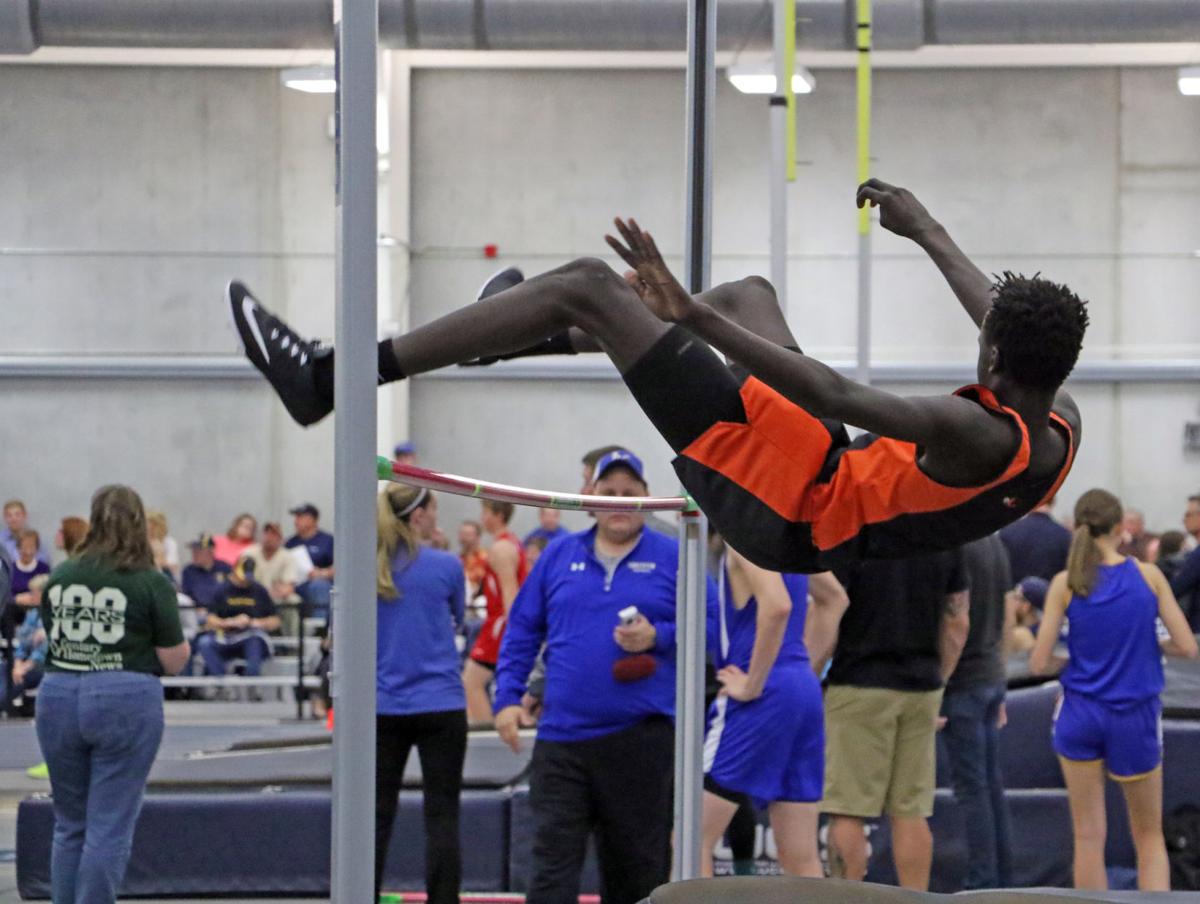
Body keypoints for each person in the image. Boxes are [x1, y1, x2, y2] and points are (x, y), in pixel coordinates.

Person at [231, 180, 1085, 574]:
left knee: (584, 285)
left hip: (789, 509)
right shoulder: (1056, 416)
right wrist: (924, 226)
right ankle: (505, 338)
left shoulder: (973, 432)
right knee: (754, 293)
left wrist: (687, 316)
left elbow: (836, 395)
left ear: (994, 360)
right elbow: (998, 312)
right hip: (827, 474)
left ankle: (330, 379)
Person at [493, 448, 718, 904]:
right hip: (562, 744)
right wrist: (507, 699)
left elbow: (712, 631)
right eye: (609, 492)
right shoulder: (558, 556)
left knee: (636, 875)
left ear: (647, 498)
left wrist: (660, 635)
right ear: (590, 499)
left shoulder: (676, 555)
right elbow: (521, 630)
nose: (619, 502)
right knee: (550, 875)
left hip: (640, 743)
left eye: (629, 493)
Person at [1031, 488, 1198, 892]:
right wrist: (1149, 643)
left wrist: (1076, 661)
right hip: (1133, 715)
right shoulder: (1149, 576)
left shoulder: (1064, 583)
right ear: (1121, 527)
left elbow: (1038, 663)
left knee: (1088, 836)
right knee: (1148, 838)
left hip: (1079, 714)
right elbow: (1188, 647)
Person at [35, 484, 190, 903]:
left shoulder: (62, 575)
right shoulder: (148, 581)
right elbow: (174, 660)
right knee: (109, 826)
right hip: (124, 693)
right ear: (140, 524)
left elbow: (53, 639)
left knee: (69, 824)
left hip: (59, 692)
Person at [822, 548, 970, 891]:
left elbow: (829, 607)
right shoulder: (943, 533)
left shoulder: (856, 530)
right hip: (922, 687)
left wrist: (811, 671)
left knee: (847, 809)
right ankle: (916, 899)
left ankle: (846, 899)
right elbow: (958, 622)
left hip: (858, 683)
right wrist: (940, 680)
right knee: (911, 810)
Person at [700, 543, 847, 879]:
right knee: (800, 855)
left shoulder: (743, 540)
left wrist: (754, 682)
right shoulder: (785, 544)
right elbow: (836, 599)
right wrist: (799, 671)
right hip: (800, 688)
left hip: (762, 693)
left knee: (692, 838)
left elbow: (777, 605)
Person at [374, 483, 467, 904]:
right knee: (443, 814)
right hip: (440, 704)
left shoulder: (367, 566)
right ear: (418, 517)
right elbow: (459, 619)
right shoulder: (446, 566)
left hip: (383, 705)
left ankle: (362, 894)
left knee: (375, 816)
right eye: (434, 510)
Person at [943, 533, 1014, 889]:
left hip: (963, 680)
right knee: (990, 785)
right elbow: (1007, 613)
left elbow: (956, 620)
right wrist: (1002, 675)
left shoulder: (956, 544)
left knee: (972, 789)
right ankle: (1002, 878)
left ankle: (983, 882)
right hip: (988, 674)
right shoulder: (993, 542)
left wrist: (939, 685)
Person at [463, 499, 528, 724]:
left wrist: (515, 635)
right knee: (473, 682)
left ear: (498, 515)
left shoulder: (502, 548)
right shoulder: (510, 543)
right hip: (498, 624)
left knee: (471, 682)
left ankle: (489, 731)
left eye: (485, 512)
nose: (482, 517)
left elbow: (512, 595)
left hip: (500, 626)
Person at [196, 555, 280, 689]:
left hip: (251, 635)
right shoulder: (221, 590)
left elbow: (275, 620)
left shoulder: (259, 590)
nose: (244, 580)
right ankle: (223, 685)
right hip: (225, 635)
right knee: (205, 643)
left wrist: (254, 622)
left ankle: (251, 685)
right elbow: (210, 620)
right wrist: (230, 622)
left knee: (255, 642)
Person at [246, 522, 302, 636]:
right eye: (266, 534)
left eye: (273, 535)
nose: (269, 538)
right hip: (252, 595)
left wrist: (276, 591)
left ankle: (291, 642)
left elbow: (288, 588)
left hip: (276, 597)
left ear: (280, 538)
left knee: (294, 600)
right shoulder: (249, 553)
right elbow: (243, 581)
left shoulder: (288, 556)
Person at [999, 496, 1072, 583]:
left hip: (1011, 593)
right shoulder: (1065, 536)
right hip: (1048, 594)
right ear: (1053, 502)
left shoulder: (1007, 532)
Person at [286, 502, 335, 619]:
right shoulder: (290, 543)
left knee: (319, 586)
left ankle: (319, 629)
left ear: (313, 519)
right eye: (296, 517)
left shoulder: (327, 541)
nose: (296, 521)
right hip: (296, 583)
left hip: (319, 582)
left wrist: (321, 573)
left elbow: (341, 568)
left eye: (300, 517)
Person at [180, 534, 232, 615]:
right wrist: (197, 609)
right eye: (193, 550)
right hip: (197, 613)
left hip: (222, 612)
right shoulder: (188, 571)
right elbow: (186, 596)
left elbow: (231, 593)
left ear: (211, 551)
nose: (194, 554)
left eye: (198, 551)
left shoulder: (225, 568)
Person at [1008, 575, 1049, 654]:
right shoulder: (1045, 632)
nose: (1011, 602)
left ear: (1025, 606)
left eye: (1015, 597)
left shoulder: (1020, 635)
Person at [2, 500, 51, 564]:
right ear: (5, 517)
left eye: (17, 514)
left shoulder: (35, 538)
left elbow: (44, 561)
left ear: (25, 515)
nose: (13, 519)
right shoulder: (1, 540)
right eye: (9, 515)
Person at [146, 510, 181, 583]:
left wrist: (158, 560)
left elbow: (173, 566)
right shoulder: (144, 541)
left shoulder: (169, 542)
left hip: (166, 575)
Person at [458, 520, 488, 598]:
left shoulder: (486, 559)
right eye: (462, 534)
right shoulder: (457, 560)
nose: (464, 538)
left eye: (468, 534)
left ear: (478, 537)